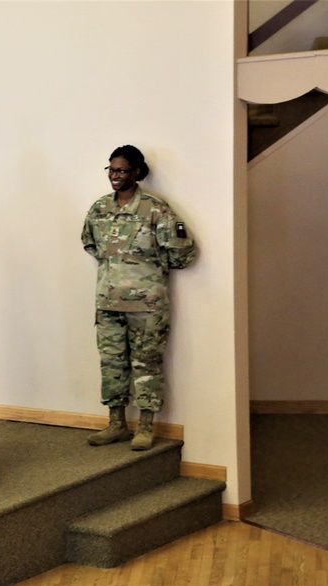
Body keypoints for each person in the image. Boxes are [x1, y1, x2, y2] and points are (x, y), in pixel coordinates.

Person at [81, 145, 197, 451]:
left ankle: (146, 426)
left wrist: (146, 273)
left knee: (146, 364)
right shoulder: (99, 208)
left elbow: (183, 252)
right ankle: (116, 423)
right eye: (111, 170)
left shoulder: (156, 210)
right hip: (108, 302)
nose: (115, 177)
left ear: (137, 172)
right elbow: (90, 245)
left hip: (147, 306)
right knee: (111, 364)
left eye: (122, 170)